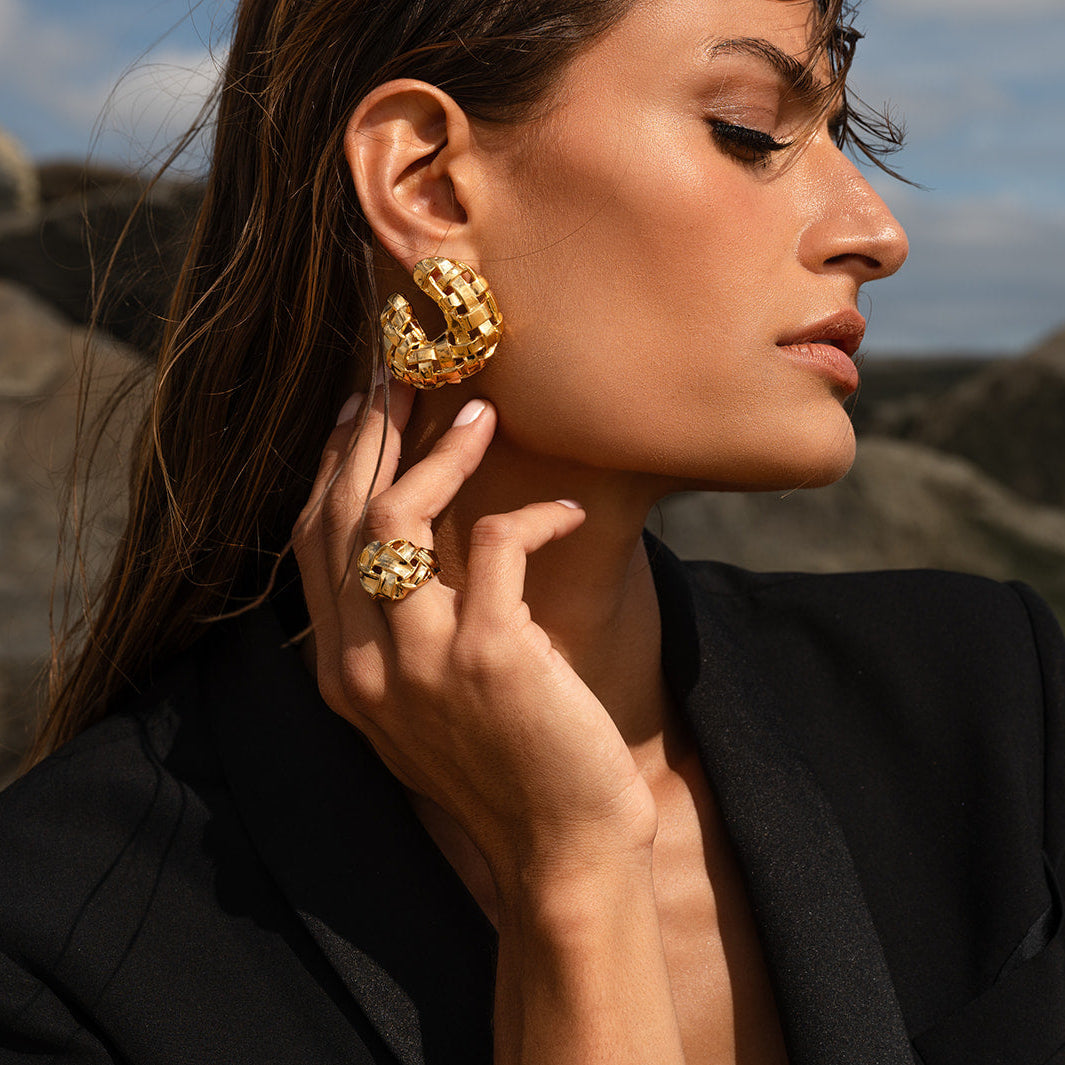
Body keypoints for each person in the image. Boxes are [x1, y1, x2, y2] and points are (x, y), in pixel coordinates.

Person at [1, 0, 1063, 1061]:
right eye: (750, 131)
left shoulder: (994, 703)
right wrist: (575, 872)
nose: (877, 233)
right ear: (426, 182)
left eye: (843, 136)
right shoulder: (67, 942)